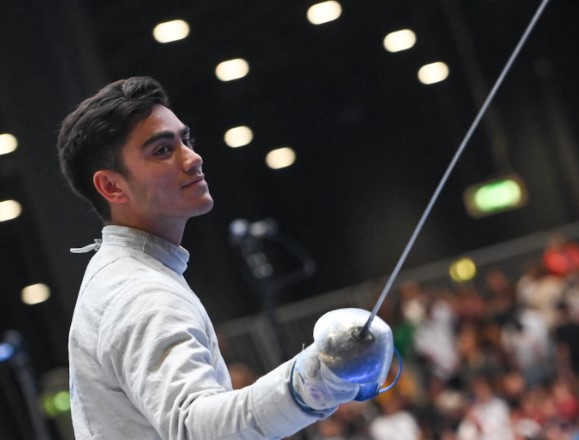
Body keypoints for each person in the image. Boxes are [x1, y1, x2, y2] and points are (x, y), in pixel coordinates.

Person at [57, 76, 386, 439]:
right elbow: (195, 427)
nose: (193, 157)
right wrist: (317, 379)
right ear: (112, 186)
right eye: (162, 150)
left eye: (186, 141)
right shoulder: (139, 292)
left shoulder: (121, 275)